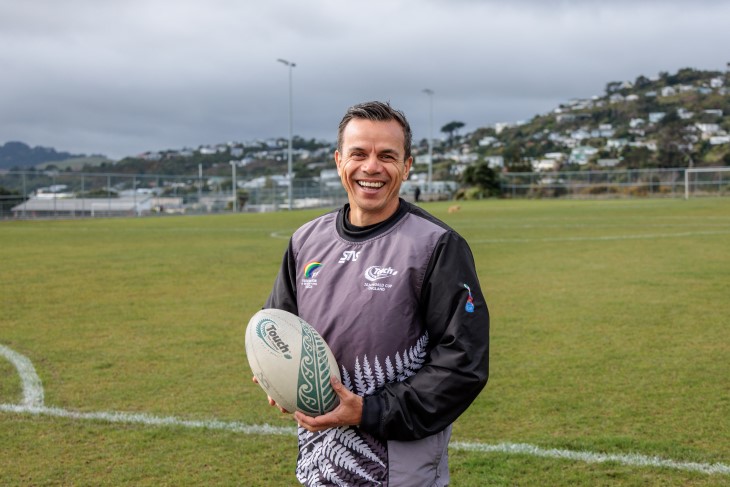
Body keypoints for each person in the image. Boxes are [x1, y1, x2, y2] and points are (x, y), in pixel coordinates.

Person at [262, 101, 489, 486]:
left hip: (400, 469)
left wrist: (369, 410)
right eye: (358, 154)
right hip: (321, 462)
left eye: (387, 155)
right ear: (339, 161)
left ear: (407, 165)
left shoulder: (436, 245)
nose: (371, 167)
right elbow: (278, 329)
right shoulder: (305, 241)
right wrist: (275, 375)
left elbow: (463, 363)